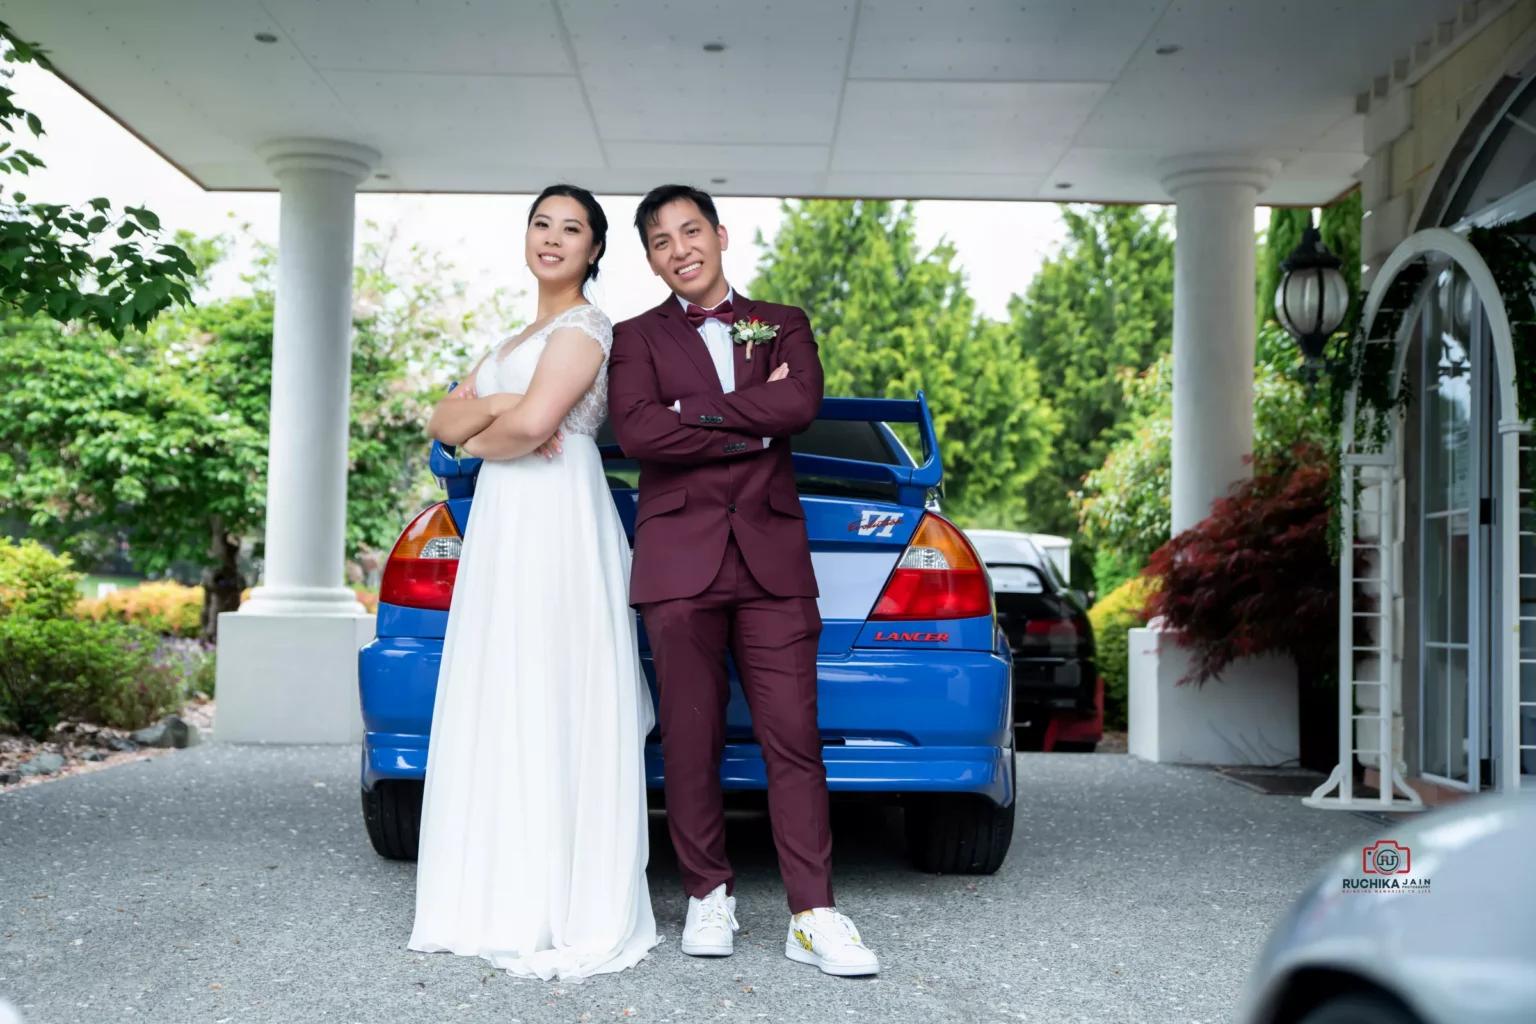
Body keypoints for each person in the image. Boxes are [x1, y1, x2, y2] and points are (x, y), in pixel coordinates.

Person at [607, 184, 879, 977]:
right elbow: (636, 429)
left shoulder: (783, 321)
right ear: (651, 258)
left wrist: (697, 413)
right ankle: (707, 894)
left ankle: (814, 913)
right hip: (677, 561)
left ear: (720, 235)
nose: (679, 249)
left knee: (793, 740)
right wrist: (745, 418)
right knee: (689, 739)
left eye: (691, 231)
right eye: (661, 241)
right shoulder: (633, 338)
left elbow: (800, 402)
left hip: (773, 561)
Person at [407, 184, 659, 981]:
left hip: (557, 515)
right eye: (541, 224)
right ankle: (497, 887)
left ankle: (559, 897)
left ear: (593, 249)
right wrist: (511, 412)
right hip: (506, 517)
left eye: (571, 228)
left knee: (554, 678)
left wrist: (503, 417)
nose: (552, 238)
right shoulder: (512, 336)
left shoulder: (589, 326)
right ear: (526, 238)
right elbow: (441, 425)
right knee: (502, 680)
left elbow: (519, 427)